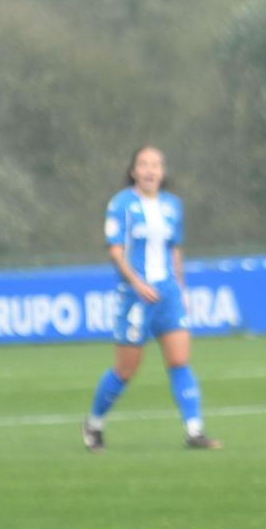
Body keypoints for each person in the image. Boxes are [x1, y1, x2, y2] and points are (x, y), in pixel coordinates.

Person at [82, 146, 220, 452]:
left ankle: (194, 431)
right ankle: (93, 424)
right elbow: (115, 250)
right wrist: (136, 283)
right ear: (133, 171)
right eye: (144, 164)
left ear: (163, 171)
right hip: (135, 296)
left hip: (168, 293)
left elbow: (175, 249)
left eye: (156, 164)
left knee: (180, 360)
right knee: (125, 370)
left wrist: (181, 289)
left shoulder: (172, 205)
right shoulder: (122, 204)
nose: (150, 170)